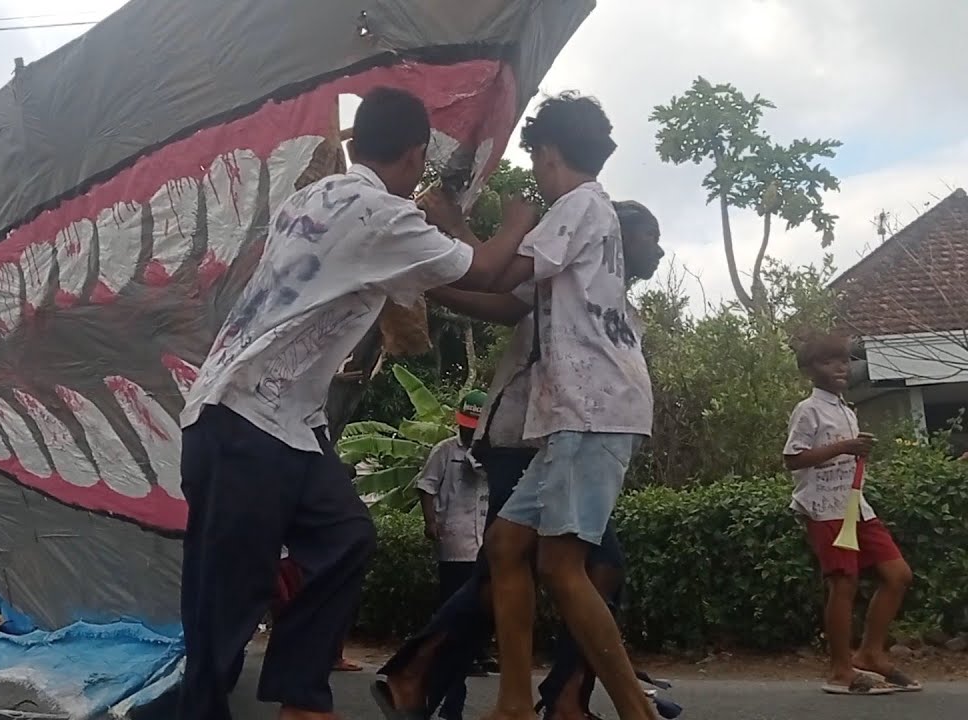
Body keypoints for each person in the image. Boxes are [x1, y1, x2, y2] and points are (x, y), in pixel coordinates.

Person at [175, 86, 541, 720]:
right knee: (223, 608)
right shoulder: (382, 217)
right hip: (242, 420)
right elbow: (483, 273)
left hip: (284, 423)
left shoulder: (313, 198)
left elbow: (440, 286)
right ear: (417, 152)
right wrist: (517, 223)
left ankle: (302, 698)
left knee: (346, 537)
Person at [373, 199, 665, 720]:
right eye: (650, 236)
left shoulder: (602, 294)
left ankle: (515, 695)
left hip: (551, 437)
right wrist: (436, 265)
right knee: (558, 568)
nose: (659, 249)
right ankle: (552, 698)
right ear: (616, 238)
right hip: (519, 436)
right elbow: (505, 294)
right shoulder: (570, 279)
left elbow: (503, 294)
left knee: (518, 561)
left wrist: (432, 281)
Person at [475, 91, 653, 720]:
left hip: (592, 408)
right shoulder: (591, 212)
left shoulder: (575, 206)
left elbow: (497, 274)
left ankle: (638, 712)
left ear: (547, 155)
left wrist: (511, 222)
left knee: (562, 566)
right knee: (506, 547)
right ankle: (514, 705)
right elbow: (507, 294)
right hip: (584, 410)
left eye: (535, 163)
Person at [784, 334, 919, 696]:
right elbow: (793, 459)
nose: (840, 368)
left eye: (843, 361)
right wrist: (844, 446)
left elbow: (839, 453)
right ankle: (840, 670)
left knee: (897, 574)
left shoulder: (846, 408)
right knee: (843, 582)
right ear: (810, 370)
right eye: (829, 362)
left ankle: (871, 654)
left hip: (855, 505)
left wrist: (856, 452)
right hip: (824, 506)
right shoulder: (808, 410)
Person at [415, 390, 491, 718]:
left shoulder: (494, 453)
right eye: (465, 425)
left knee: (476, 623)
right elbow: (426, 486)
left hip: (486, 548)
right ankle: (437, 689)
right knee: (451, 622)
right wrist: (431, 521)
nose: (468, 431)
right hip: (455, 546)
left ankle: (457, 681)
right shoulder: (444, 451)